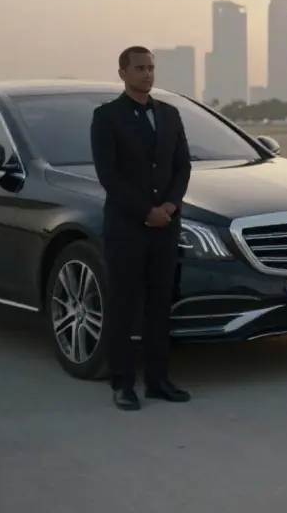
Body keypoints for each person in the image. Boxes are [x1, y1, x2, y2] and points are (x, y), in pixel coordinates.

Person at [89, 46, 193, 410]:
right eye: (139, 68)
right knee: (123, 305)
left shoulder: (170, 115)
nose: (147, 74)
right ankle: (122, 383)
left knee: (158, 305)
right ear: (122, 73)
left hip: (165, 226)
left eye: (151, 68)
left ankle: (158, 380)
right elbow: (108, 174)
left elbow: (182, 167)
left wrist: (169, 206)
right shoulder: (107, 117)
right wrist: (144, 211)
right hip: (126, 227)